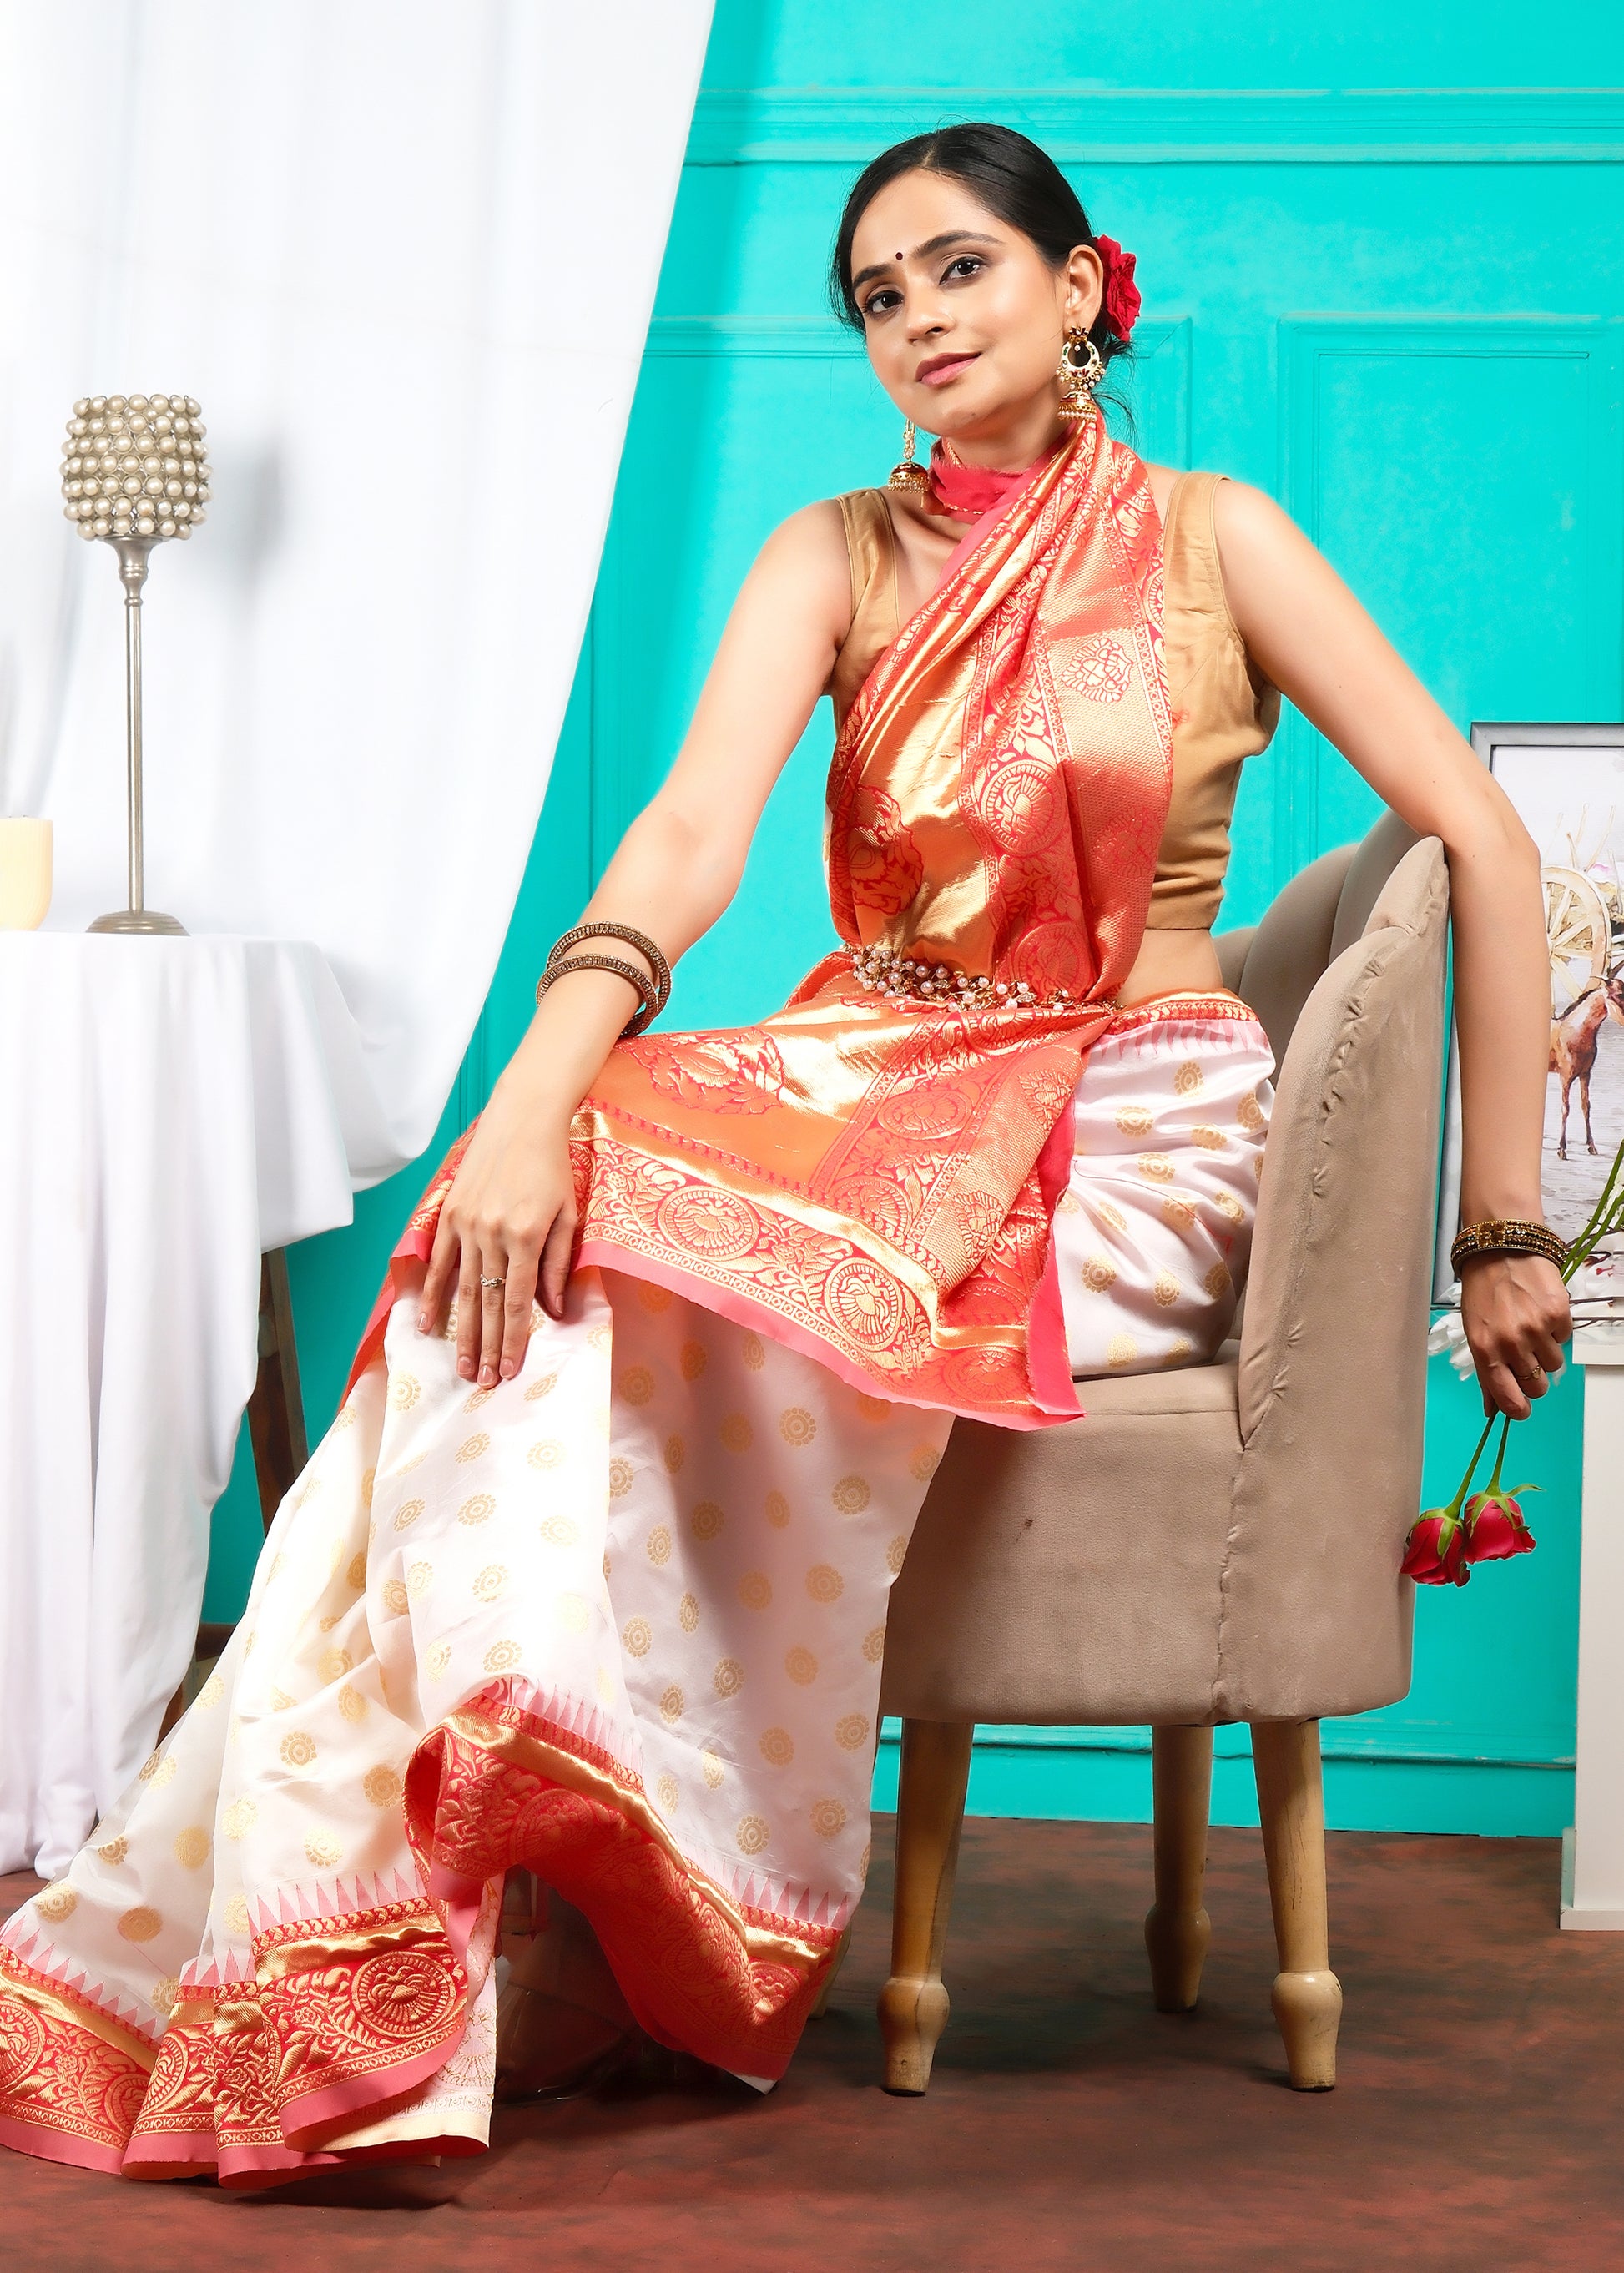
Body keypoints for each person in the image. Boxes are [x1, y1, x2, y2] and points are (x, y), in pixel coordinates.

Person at [0, 124, 1569, 2187]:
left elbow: (1484, 835)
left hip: (1124, 1117)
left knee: (632, 1255)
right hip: (870, 1084)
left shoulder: (1212, 537)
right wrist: (523, 1110)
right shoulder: (832, 554)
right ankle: (473, 1893)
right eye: (877, 298)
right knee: (528, 1247)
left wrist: (1503, 1223)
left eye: (958, 271)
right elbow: (681, 840)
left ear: (1084, 286)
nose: (915, 319)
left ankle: (615, 1908)